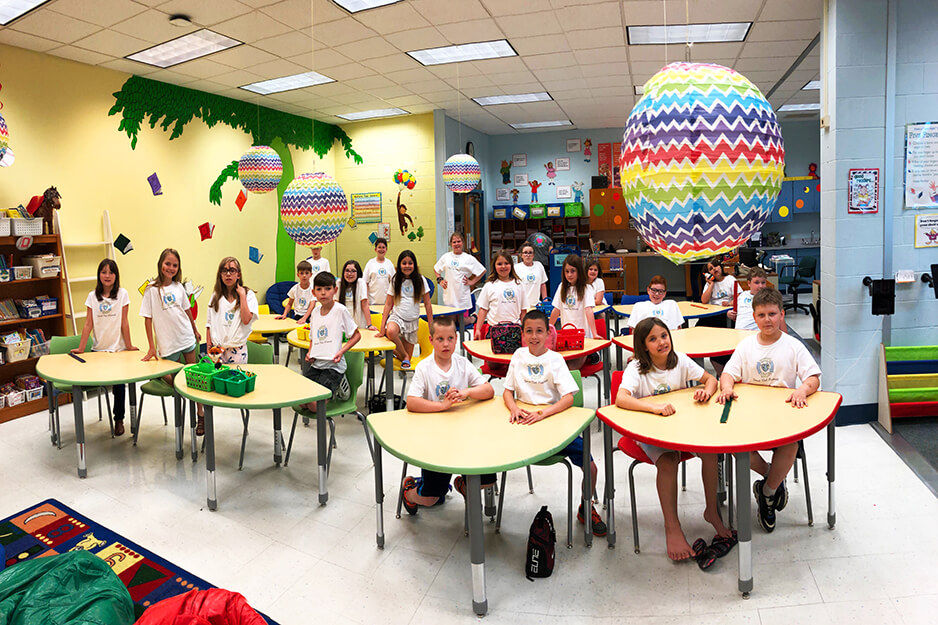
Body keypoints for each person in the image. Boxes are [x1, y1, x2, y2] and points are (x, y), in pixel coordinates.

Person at [614, 318, 735, 563]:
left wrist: (706, 391)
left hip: (681, 428)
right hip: (651, 432)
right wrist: (654, 408)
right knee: (668, 461)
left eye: (664, 336)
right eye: (652, 339)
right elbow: (621, 399)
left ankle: (712, 511)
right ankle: (673, 526)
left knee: (710, 449)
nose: (661, 342)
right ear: (643, 346)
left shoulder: (678, 359)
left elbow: (710, 379)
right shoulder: (637, 367)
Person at [716, 288, 821, 533]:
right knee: (735, 446)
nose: (767, 320)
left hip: (782, 415)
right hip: (751, 414)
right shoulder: (746, 346)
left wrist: (802, 390)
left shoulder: (793, 346)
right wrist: (727, 387)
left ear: (782, 314)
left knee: (791, 443)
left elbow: (813, 377)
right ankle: (773, 478)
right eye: (761, 315)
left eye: (772, 314)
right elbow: (728, 373)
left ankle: (767, 491)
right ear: (754, 317)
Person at [503, 310, 607, 536]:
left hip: (552, 424)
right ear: (522, 334)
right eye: (528, 331)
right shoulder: (518, 356)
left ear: (548, 334)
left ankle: (585, 505)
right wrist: (513, 408)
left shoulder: (555, 359)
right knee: (492, 452)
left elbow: (569, 398)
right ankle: (483, 498)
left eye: (539, 331)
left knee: (591, 467)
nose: (534, 336)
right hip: (523, 425)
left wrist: (544, 413)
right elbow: (507, 392)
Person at [401, 317, 496, 514]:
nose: (446, 344)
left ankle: (462, 483)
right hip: (435, 437)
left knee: (488, 479)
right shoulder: (424, 367)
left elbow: (488, 390)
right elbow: (412, 402)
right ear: (431, 340)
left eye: (450, 338)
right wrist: (442, 406)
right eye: (440, 339)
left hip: (464, 433)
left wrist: (466, 392)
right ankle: (410, 491)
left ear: (456, 339)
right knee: (432, 498)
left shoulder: (462, 363)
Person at [140, 248, 204, 432]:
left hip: (185, 337)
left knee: (194, 380)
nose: (171, 268)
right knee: (177, 384)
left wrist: (195, 329)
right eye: (168, 263)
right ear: (161, 264)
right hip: (168, 344)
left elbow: (187, 311)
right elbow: (147, 318)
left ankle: (200, 416)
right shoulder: (151, 289)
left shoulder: (179, 287)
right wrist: (152, 347)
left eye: (175, 265)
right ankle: (180, 422)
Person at [72, 259, 136, 436]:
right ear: (99, 275)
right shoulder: (92, 296)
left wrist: (129, 345)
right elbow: (88, 325)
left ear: (116, 276)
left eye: (111, 272)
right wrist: (81, 348)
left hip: (118, 351)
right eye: (103, 272)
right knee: (88, 381)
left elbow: (124, 322)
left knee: (119, 385)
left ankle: (119, 419)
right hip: (98, 351)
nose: (107, 276)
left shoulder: (122, 294)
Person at [301, 271, 361, 411]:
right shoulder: (315, 312)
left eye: (327, 289)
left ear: (335, 290)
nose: (323, 293)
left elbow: (357, 335)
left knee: (315, 406)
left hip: (333, 367)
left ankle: (340, 385)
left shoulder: (340, 310)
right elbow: (313, 338)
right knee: (301, 402)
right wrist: (310, 353)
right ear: (313, 292)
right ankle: (330, 390)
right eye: (319, 289)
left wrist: (341, 352)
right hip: (317, 365)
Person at [378, 250, 433, 369]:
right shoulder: (395, 280)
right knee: (391, 331)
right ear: (399, 265)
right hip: (397, 317)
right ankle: (405, 356)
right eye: (404, 263)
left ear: (414, 265)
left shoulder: (420, 279)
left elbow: (428, 304)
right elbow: (388, 304)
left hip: (412, 321)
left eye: (410, 263)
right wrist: (383, 328)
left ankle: (404, 356)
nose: (407, 266)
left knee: (405, 362)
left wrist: (431, 326)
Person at [205, 257, 258, 365]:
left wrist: (242, 296)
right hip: (217, 350)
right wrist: (209, 346)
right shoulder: (216, 296)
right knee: (218, 380)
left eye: (232, 270)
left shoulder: (248, 295)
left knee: (235, 380)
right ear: (220, 274)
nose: (228, 274)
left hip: (237, 350)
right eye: (224, 271)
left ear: (238, 274)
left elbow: (246, 320)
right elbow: (209, 323)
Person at [548, 254, 597, 369]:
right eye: (567, 271)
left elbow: (589, 310)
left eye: (573, 271)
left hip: (582, 337)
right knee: (558, 366)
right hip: (566, 337)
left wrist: (594, 333)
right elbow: (556, 310)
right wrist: (548, 328)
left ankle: (591, 354)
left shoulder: (586, 288)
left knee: (571, 368)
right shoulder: (561, 287)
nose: (569, 275)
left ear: (579, 271)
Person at [473, 251, 526, 339]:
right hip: (493, 329)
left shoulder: (519, 285)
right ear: (494, 266)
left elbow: (523, 311)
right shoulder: (489, 285)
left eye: (506, 263)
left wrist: (525, 329)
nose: (503, 267)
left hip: (515, 329)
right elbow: (483, 310)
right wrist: (478, 329)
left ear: (511, 265)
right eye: (499, 264)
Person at [434, 232, 484, 311]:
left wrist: (472, 282)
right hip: (449, 296)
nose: (456, 244)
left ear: (463, 243)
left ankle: (473, 318)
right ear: (451, 244)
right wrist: (440, 280)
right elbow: (436, 269)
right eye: (454, 242)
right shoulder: (446, 256)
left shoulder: (468, 258)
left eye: (459, 241)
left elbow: (482, 271)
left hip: (462, 297)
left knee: (462, 320)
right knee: (451, 319)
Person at [729, 267, 787, 332]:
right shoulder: (743, 295)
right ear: (749, 283)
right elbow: (732, 304)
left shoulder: (769, 298)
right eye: (756, 283)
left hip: (757, 335)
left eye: (763, 283)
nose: (760, 286)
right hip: (739, 333)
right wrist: (729, 313)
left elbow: (781, 321)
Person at [699, 258, 737, 327]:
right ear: (708, 274)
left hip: (726, 311)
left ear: (720, 266)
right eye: (711, 268)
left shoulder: (730, 279)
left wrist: (729, 303)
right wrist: (711, 284)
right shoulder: (709, 284)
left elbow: (739, 297)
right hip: (713, 312)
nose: (714, 269)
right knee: (700, 325)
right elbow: (704, 301)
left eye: (716, 265)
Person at [337, 260, 374, 330]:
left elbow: (365, 304)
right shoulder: (339, 283)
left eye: (353, 271)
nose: (349, 274)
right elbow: (335, 304)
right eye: (347, 270)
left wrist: (369, 325)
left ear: (358, 273)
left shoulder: (361, 282)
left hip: (359, 325)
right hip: (342, 325)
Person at [514, 242, 548, 307]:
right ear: (521, 255)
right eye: (525, 252)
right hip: (521, 305)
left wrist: (545, 301)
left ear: (533, 255)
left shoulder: (539, 265)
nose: (528, 255)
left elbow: (543, 284)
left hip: (537, 304)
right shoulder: (516, 267)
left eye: (530, 252)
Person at [363, 238, 394, 308]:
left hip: (387, 303)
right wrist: (366, 298)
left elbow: (394, 282)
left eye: (383, 247)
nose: (381, 249)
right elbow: (365, 283)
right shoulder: (370, 263)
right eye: (379, 247)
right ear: (375, 249)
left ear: (386, 249)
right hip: (372, 302)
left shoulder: (389, 264)